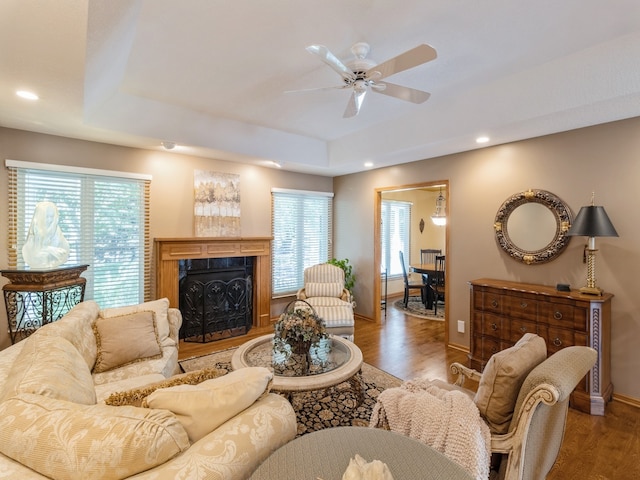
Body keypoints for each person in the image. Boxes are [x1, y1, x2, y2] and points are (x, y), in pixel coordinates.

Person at [22, 201, 70, 268]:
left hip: (53, 267)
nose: (50, 220)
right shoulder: (34, 232)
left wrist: (49, 251)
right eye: (47, 217)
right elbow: (32, 254)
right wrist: (50, 250)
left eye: (52, 216)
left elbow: (63, 251)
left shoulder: (56, 230)